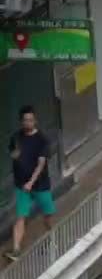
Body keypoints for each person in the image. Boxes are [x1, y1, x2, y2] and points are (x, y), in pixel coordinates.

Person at [7, 106, 53, 261]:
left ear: (35, 121)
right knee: (20, 216)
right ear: (21, 122)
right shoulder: (16, 138)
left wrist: (31, 182)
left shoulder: (42, 140)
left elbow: (41, 164)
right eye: (25, 120)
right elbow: (13, 154)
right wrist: (15, 155)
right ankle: (16, 250)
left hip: (40, 185)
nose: (28, 123)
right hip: (22, 186)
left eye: (31, 120)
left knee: (48, 216)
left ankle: (51, 239)